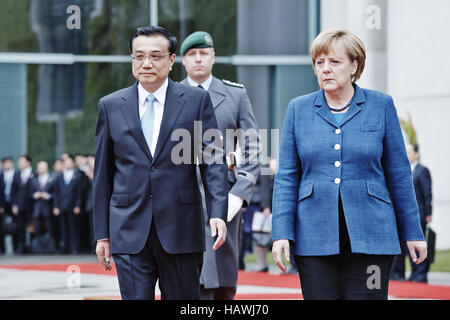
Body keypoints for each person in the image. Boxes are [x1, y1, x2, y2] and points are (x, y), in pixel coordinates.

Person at [271, 29, 427, 300]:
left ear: (354, 65)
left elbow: (399, 175)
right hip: (314, 236)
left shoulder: (381, 105)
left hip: (374, 238)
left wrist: (413, 231)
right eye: (319, 63)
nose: (325, 70)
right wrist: (281, 233)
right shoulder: (298, 109)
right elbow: (286, 177)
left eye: (334, 62)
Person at [93, 26, 228, 300]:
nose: (146, 63)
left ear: (171, 60)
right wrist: (102, 234)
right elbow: (102, 175)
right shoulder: (110, 105)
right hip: (128, 228)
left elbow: (213, 160)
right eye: (138, 56)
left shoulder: (196, 100)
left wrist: (218, 211)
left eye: (156, 56)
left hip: (181, 228)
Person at [180, 31, 260, 300]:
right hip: (183, 193)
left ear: (213, 57)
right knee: (186, 273)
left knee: (224, 275)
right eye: (192, 54)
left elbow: (252, 146)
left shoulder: (235, 95)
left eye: (204, 53)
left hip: (226, 194)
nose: (198, 59)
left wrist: (240, 191)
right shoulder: (170, 95)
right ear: (182, 61)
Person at [391, 143, 433, 282]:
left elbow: (427, 194)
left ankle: (418, 277)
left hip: (419, 215)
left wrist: (428, 213)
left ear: (416, 154)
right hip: (401, 216)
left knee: (416, 248)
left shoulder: (422, 171)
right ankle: (398, 276)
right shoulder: (401, 170)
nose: (406, 155)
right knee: (400, 250)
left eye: (409, 152)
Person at [52, 154, 83, 254]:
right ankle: (65, 247)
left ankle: (74, 247)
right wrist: (56, 206)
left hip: (72, 205)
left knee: (73, 227)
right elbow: (56, 193)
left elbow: (79, 193)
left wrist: (78, 205)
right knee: (63, 228)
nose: (68, 164)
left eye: (70, 162)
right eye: (66, 162)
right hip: (62, 206)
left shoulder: (77, 176)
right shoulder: (59, 176)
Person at [12, 155, 35, 254]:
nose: (20, 163)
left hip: (32, 205)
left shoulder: (35, 174)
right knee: (20, 227)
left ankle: (33, 246)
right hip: (20, 205)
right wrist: (14, 204)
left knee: (32, 226)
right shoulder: (16, 174)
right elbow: (14, 191)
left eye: (22, 161)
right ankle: (21, 246)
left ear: (28, 162)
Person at [31, 161, 56, 251]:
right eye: (39, 167)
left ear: (47, 168)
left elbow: (56, 192)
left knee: (50, 227)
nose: (40, 169)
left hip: (48, 207)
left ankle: (51, 248)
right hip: (37, 208)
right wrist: (34, 195)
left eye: (43, 167)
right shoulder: (34, 179)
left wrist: (48, 196)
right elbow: (29, 193)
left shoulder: (53, 178)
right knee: (37, 228)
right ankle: (38, 248)